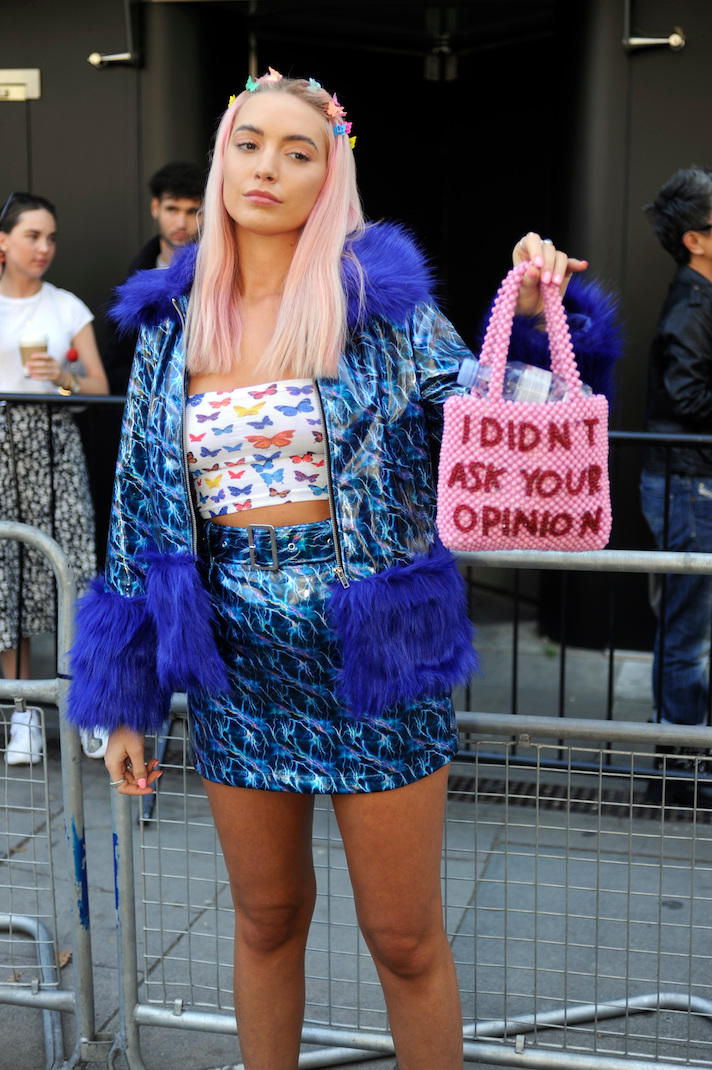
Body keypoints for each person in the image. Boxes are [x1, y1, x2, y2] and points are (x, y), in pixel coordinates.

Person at [67, 70, 614, 1069]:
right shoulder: (167, 324)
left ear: (331, 178)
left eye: (297, 151)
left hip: (375, 655)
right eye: (249, 143)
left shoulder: (385, 311)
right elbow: (140, 507)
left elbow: (510, 404)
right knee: (264, 920)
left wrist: (543, 309)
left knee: (403, 938)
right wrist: (127, 693)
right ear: (224, 156)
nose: (266, 167)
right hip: (237, 661)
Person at [0, 192, 109, 764]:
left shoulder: (65, 305)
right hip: (1, 451)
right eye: (32, 236)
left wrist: (62, 376)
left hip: (55, 446)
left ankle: (83, 704)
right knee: (8, 582)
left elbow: (96, 385)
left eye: (51, 238)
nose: (44, 248)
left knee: (73, 571)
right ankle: (22, 716)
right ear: (3, 242)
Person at [640, 165, 712, 807]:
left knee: (691, 623)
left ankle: (685, 759)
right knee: (688, 629)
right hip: (687, 485)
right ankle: (681, 771)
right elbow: (688, 396)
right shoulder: (692, 304)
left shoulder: (702, 298)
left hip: (691, 483)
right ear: (696, 239)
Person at [102, 160, 204, 394]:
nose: (181, 223)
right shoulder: (132, 282)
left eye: (192, 211)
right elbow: (116, 363)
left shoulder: (220, 277)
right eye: (172, 209)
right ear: (155, 207)